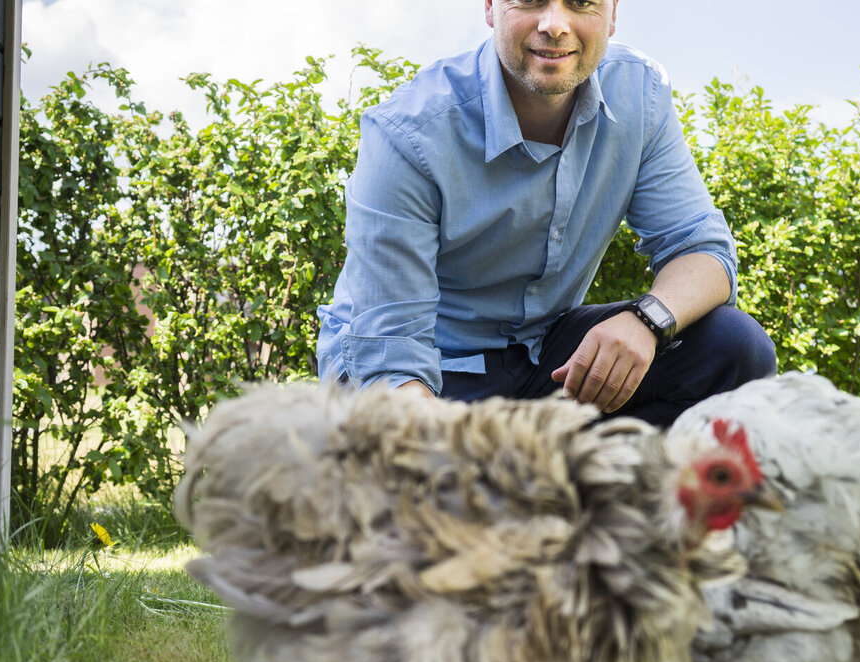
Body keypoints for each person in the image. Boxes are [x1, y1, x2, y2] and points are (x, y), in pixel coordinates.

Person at [316, 0, 775, 425]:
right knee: (441, 482)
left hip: (545, 360)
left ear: (612, 13)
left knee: (734, 348)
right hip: (425, 370)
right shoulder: (407, 134)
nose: (554, 24)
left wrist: (647, 320)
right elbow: (392, 358)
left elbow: (704, 252)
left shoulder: (640, 94)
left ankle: (594, 501)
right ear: (492, 6)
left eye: (580, 2)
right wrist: (444, 458)